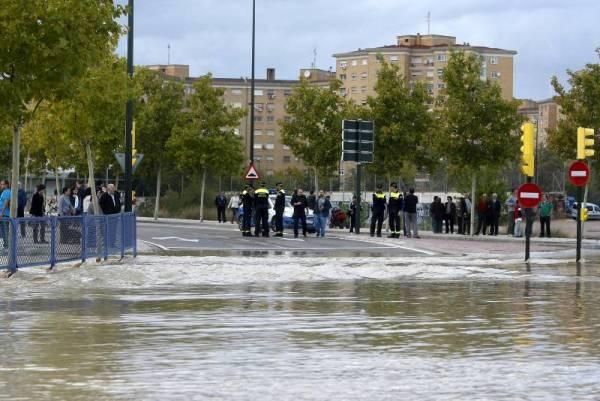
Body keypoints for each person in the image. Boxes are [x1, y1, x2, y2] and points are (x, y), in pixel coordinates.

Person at [0, 180, 11, 250]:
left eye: (2, 184)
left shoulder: (7, 192)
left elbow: (6, 203)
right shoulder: (4, 192)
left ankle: (6, 245)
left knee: (5, 230)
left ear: (6, 185)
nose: (1, 186)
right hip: (4, 214)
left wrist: (1, 213)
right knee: (4, 230)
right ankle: (5, 245)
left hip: (4, 214)